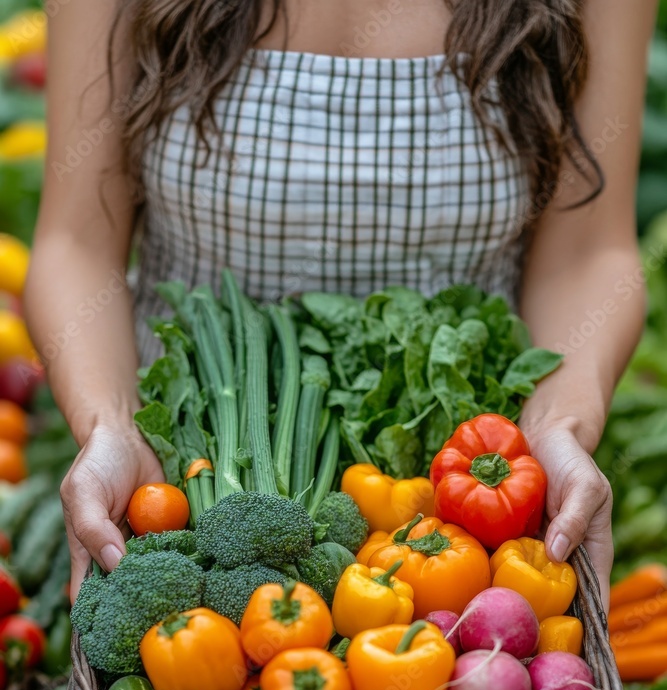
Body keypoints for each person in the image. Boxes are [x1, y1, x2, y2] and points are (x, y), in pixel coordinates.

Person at [25, 0, 656, 606]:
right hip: (182, 483)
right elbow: (75, 244)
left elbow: (588, 254)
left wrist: (559, 424)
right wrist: (111, 422)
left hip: (471, 510)